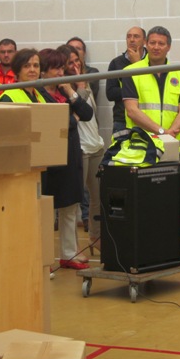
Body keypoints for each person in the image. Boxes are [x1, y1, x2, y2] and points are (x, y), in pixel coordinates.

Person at [38, 46, 94, 270]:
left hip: (70, 154)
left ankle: (69, 254)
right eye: (56, 69)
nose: (61, 73)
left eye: (62, 68)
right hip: (48, 159)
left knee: (70, 207)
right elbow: (62, 123)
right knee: (46, 211)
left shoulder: (63, 91)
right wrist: (72, 118)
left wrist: (71, 92)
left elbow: (86, 113)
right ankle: (44, 260)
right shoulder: (38, 94)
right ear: (43, 71)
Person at [64, 46, 104, 253]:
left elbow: (89, 113)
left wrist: (82, 84)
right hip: (79, 147)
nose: (75, 65)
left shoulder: (86, 81)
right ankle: (72, 247)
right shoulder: (64, 88)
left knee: (99, 196)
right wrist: (79, 86)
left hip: (95, 144)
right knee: (76, 199)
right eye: (70, 62)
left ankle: (96, 237)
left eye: (77, 60)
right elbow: (77, 109)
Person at [122, 26, 180, 140]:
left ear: (168, 47)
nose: (156, 47)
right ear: (146, 44)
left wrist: (169, 135)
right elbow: (132, 111)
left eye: (161, 44)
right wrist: (162, 132)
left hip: (171, 141)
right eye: (152, 43)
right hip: (143, 143)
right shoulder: (131, 72)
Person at [106, 26, 147, 137]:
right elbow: (110, 93)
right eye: (129, 37)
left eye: (136, 36)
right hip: (122, 120)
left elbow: (150, 88)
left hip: (148, 117)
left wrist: (137, 64)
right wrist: (131, 90)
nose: (132, 40)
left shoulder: (152, 61)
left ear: (144, 41)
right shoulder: (116, 63)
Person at [67, 36, 99, 101]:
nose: (74, 51)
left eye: (78, 48)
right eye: (71, 48)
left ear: (84, 53)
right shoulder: (62, 76)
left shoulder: (92, 72)